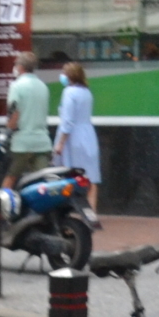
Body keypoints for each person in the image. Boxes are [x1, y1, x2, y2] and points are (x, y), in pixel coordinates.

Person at [53, 60, 100, 221]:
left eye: (64, 73)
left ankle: (66, 209)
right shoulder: (86, 92)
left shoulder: (69, 92)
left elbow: (68, 121)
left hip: (73, 138)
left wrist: (60, 143)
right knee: (90, 174)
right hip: (88, 134)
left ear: (70, 76)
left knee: (68, 172)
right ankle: (91, 211)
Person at [4, 51, 52, 185]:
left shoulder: (17, 86)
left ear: (20, 67)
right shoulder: (43, 87)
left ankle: (3, 204)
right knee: (42, 182)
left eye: (16, 65)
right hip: (42, 142)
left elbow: (14, 114)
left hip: (22, 143)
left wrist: (7, 131)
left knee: (11, 177)